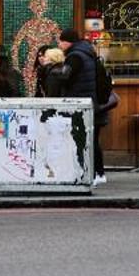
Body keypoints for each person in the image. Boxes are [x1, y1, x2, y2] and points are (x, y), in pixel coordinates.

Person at [57, 27, 110, 184]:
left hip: (82, 105)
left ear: (68, 42)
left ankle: (91, 174)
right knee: (92, 140)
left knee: (85, 141)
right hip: (92, 103)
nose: (59, 44)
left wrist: (53, 71)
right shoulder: (88, 53)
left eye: (60, 41)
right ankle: (99, 174)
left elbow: (65, 76)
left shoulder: (75, 57)